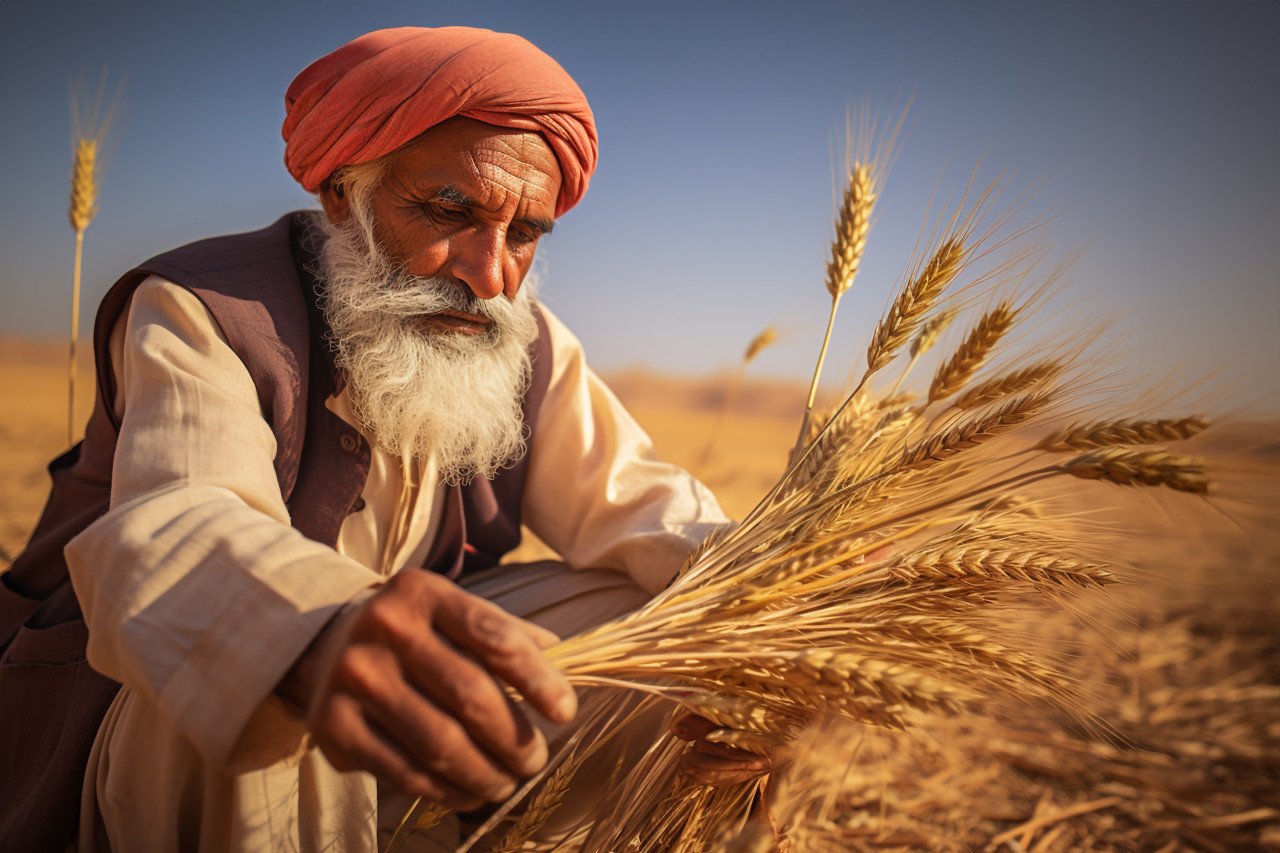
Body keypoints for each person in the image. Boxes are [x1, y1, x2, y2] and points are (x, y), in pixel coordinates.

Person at [0, 25, 769, 853]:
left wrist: (774, 595)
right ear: (342, 193)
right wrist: (318, 633)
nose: (490, 275)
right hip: (113, 737)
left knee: (663, 628)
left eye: (524, 233)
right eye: (450, 211)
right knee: (247, 671)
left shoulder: (527, 339)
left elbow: (643, 504)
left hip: (399, 734)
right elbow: (183, 526)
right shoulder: (205, 307)